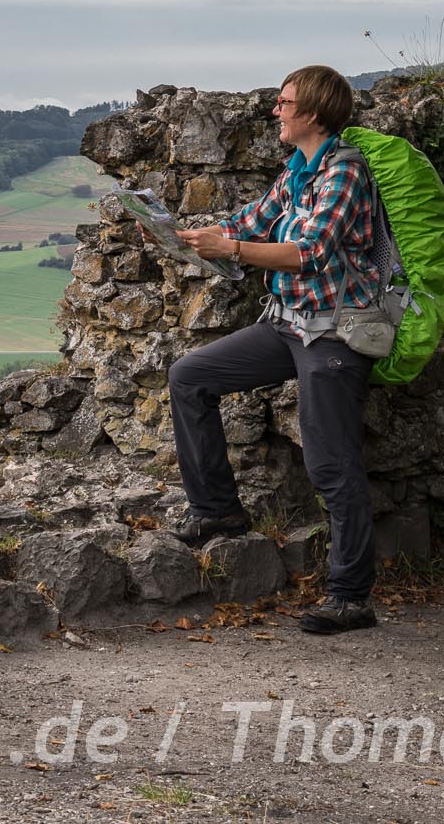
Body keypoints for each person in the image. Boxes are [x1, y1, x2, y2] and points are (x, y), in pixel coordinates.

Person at [167, 65, 381, 635]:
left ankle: (351, 597)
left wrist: (231, 247)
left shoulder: (345, 172)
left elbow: (309, 253)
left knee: (331, 462)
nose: (275, 111)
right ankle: (218, 512)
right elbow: (249, 224)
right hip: (287, 326)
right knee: (190, 377)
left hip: (334, 333)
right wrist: (179, 236)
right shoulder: (297, 172)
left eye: (284, 103)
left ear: (312, 113)